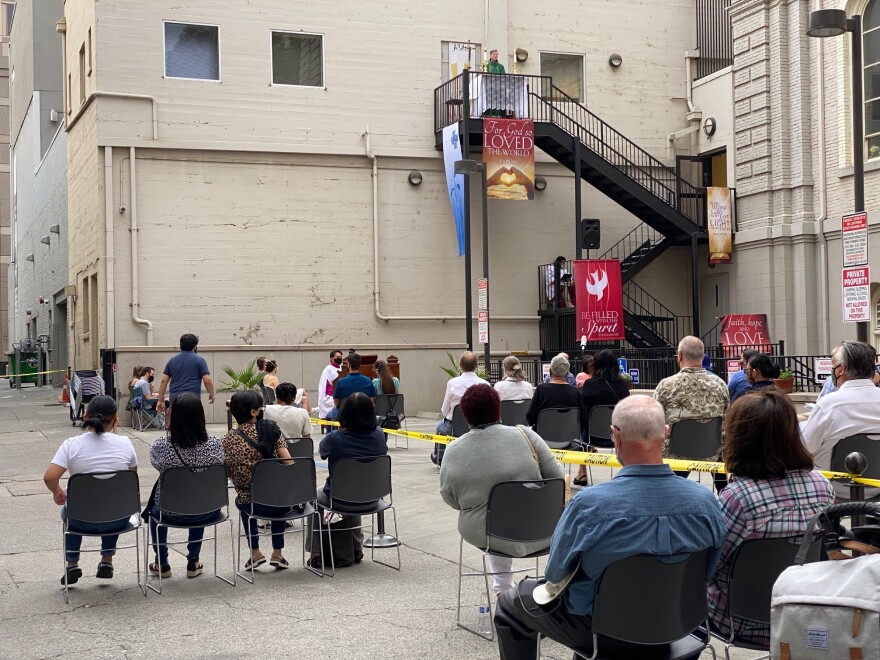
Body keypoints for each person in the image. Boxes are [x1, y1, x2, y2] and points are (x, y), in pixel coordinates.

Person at [493, 396, 726, 659]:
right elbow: (707, 571)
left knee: (510, 606)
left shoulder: (589, 506)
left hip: (600, 632)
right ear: (666, 433)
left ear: (615, 436)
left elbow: (556, 575)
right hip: (679, 623)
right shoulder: (706, 503)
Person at [708, 390, 834, 646]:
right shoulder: (822, 487)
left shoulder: (737, 498)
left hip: (740, 620)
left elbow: (711, 567)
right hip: (801, 613)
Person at [440, 385, 562, 594]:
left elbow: (450, 498)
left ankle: (502, 589)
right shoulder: (526, 435)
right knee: (503, 512)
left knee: (491, 513)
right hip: (542, 528)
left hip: (489, 533)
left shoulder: (453, 450)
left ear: (465, 416)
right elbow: (557, 477)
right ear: (499, 409)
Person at [44, 396, 138, 585]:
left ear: (86, 416)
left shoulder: (71, 445)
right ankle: (106, 561)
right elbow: (130, 481)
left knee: (70, 511)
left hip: (80, 519)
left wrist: (57, 491)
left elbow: (50, 477)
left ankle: (72, 564)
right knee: (113, 506)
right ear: (114, 418)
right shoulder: (125, 443)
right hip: (116, 520)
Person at [148, 393, 225, 579]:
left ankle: (162, 562)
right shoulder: (214, 445)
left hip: (168, 512)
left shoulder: (162, 446)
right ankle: (193, 560)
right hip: (207, 511)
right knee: (198, 498)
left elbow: (157, 464)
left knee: (152, 510)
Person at [308, 393, 388, 567]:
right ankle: (357, 547)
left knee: (314, 498)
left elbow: (322, 452)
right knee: (356, 487)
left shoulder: (335, 438)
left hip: (339, 498)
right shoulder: (380, 434)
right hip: (373, 497)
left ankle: (315, 552)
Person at [223, 390, 294, 570]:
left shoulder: (228, 438)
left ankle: (255, 552)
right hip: (278, 502)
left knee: (243, 500)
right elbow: (289, 463)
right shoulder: (271, 430)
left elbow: (228, 471)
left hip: (250, 502)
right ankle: (277, 553)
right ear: (254, 412)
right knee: (278, 497)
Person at [801, 340, 880, 499]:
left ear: (841, 370)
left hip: (832, 489)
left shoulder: (828, 405)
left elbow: (804, 449)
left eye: (833, 366)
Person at [653, 335, 729, 491]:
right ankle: (723, 492)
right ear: (702, 356)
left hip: (676, 454)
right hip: (712, 451)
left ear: (679, 355)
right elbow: (726, 420)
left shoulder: (666, 385)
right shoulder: (720, 385)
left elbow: (655, 420)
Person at [576, 349, 630, 485]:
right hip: (617, 436)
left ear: (596, 365)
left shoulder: (589, 385)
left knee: (583, 425)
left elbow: (583, 410)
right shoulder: (623, 386)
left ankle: (582, 473)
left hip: (592, 436)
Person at [156, 334, 215, 414]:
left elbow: (164, 381)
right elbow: (207, 380)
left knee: (178, 423)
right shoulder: (200, 360)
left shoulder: (172, 361)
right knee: (192, 422)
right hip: (192, 398)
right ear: (195, 346)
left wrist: (160, 400)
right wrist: (211, 394)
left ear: (180, 345)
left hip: (175, 398)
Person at [436, 351, 490, 436]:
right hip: (479, 427)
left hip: (454, 427)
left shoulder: (452, 383)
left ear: (460, 365)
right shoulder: (485, 384)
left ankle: (441, 450)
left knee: (440, 427)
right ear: (476, 366)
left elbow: (445, 411)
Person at [526, 354, 584, 431]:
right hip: (569, 436)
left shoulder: (541, 389)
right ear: (567, 373)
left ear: (550, 370)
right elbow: (583, 419)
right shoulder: (575, 391)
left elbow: (530, 417)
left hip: (544, 436)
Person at [328, 353, 376, 420]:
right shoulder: (368, 381)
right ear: (359, 365)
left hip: (346, 415)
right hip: (363, 415)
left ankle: (330, 430)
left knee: (328, 415)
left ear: (348, 364)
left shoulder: (341, 382)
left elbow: (336, 401)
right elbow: (371, 400)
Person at [318, 349, 343, 421]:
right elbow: (325, 385)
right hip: (330, 395)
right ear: (332, 358)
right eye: (337, 357)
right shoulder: (328, 369)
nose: (339, 358)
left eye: (340, 357)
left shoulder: (342, 367)